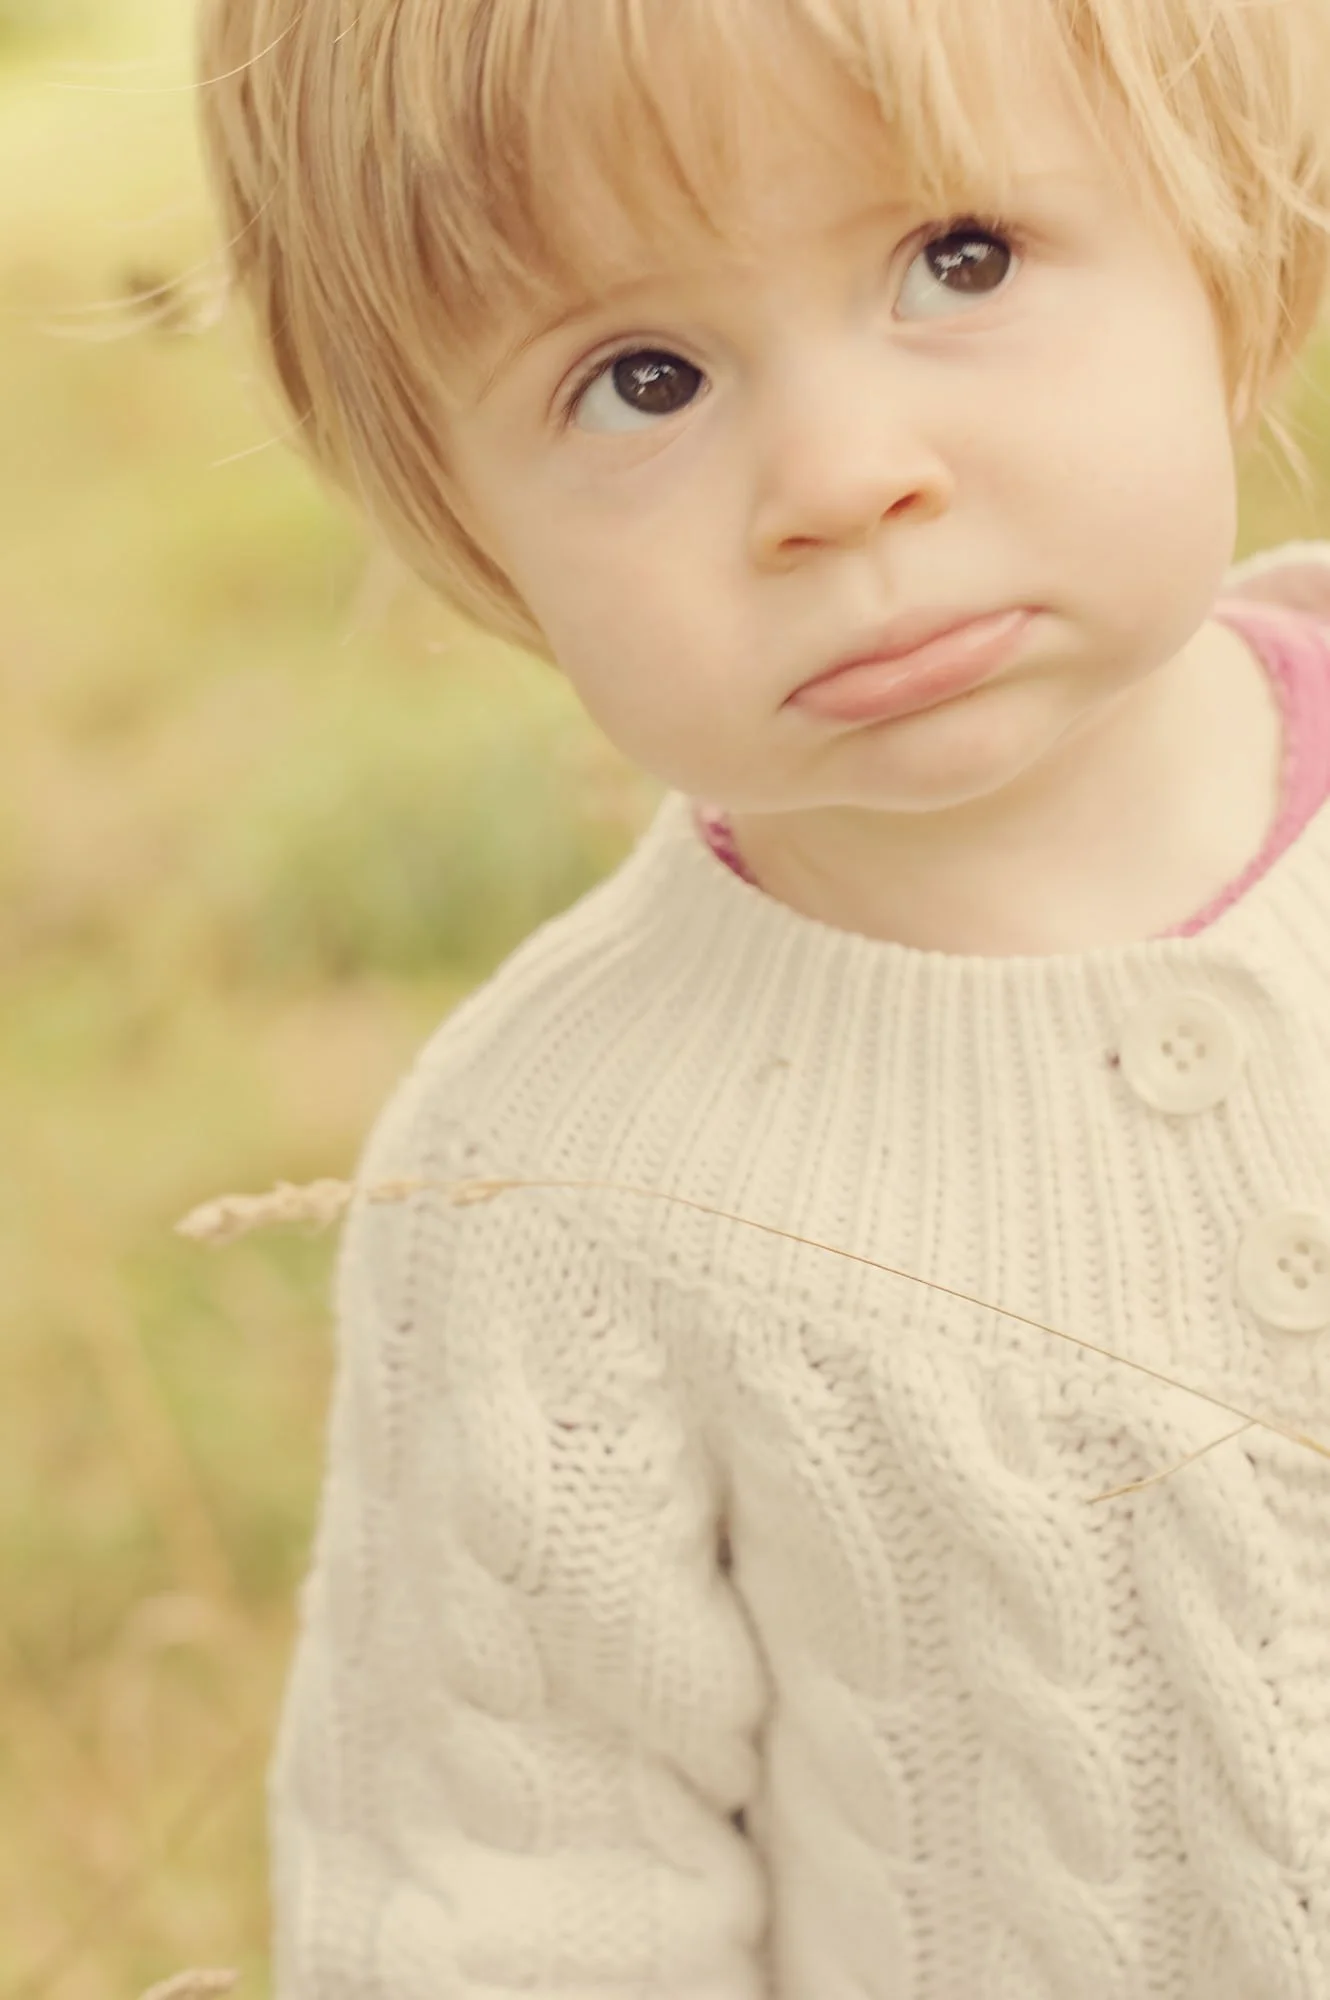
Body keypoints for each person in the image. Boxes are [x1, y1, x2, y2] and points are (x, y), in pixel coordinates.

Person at [195, 0, 1330, 1992]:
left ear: (1225, 241)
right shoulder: (548, 1188)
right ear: (468, 526)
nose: (837, 479)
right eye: (640, 380)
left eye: (953, 259)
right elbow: (513, 1900)